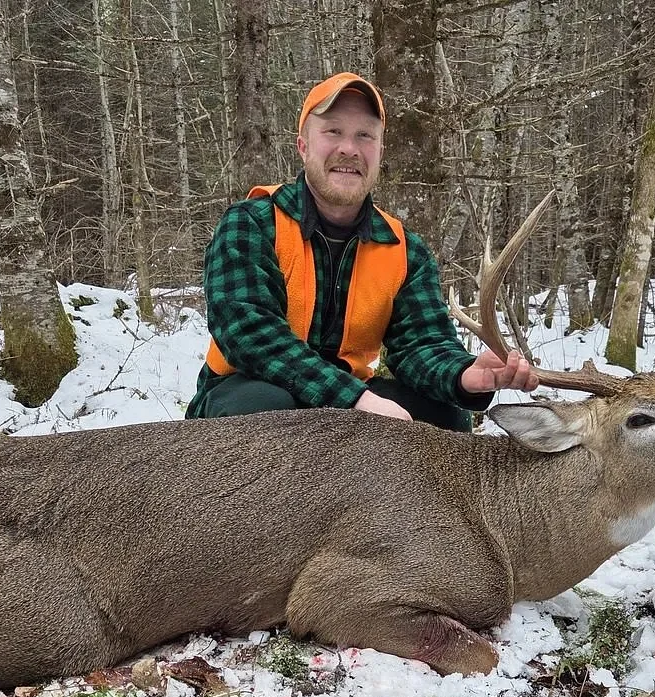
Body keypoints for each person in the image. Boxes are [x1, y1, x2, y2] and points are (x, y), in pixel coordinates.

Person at [185, 72, 538, 431]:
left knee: (443, 416)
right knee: (268, 407)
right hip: (245, 393)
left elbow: (421, 344)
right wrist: (355, 399)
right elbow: (250, 335)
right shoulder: (252, 224)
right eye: (333, 131)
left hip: (350, 393)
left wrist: (463, 375)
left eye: (364, 136)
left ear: (379, 152)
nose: (349, 149)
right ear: (303, 146)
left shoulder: (404, 251)